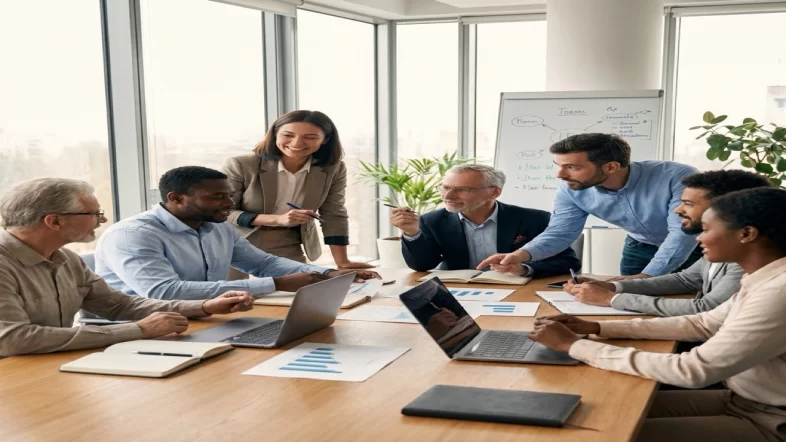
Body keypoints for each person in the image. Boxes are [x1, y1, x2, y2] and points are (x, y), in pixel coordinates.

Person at [529, 187, 786, 442]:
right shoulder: (764, 277)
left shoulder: (779, 290)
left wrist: (574, 345)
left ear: (747, 234)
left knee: (600, 432)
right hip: (741, 399)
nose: (698, 238)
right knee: (599, 411)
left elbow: (693, 370)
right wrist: (596, 326)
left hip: (771, 419)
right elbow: (705, 322)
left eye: (707, 230)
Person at [0, 178, 255, 357]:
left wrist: (203, 306)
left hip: (49, 364)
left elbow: (120, 304)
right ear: (54, 221)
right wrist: (138, 330)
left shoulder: (65, 258)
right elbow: (14, 339)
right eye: (94, 213)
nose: (103, 220)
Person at [95, 166, 378, 300]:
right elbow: (163, 291)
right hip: (137, 328)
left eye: (229, 196)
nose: (229, 204)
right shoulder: (133, 235)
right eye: (217, 197)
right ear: (176, 198)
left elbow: (263, 264)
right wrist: (276, 284)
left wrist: (326, 274)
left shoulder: (218, 228)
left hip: (200, 317)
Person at [478, 133, 701, 279]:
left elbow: (682, 234)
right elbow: (560, 233)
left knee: (698, 305)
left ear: (611, 167)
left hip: (697, 247)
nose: (560, 175)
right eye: (558, 166)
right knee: (632, 305)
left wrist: (647, 278)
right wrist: (521, 255)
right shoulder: (571, 188)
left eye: (572, 167)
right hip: (639, 247)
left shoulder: (676, 176)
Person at [564, 170, 770, 316]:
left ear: (725, 208)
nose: (677, 210)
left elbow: (707, 308)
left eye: (688, 204)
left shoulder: (752, 259)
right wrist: (612, 287)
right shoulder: (724, 246)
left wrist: (610, 299)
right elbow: (686, 280)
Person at [222, 110, 372, 274]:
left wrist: (342, 261)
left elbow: (333, 213)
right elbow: (222, 211)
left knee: (300, 292)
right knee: (231, 295)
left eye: (310, 137)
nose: (297, 142)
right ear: (274, 135)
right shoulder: (242, 164)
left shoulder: (333, 169)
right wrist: (277, 219)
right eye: (288, 134)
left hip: (287, 240)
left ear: (325, 140)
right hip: (236, 239)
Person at [390, 164, 580, 276]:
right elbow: (422, 266)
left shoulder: (535, 218)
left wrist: (523, 268)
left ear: (494, 192)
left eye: (463, 189)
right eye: (445, 187)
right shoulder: (432, 220)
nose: (449, 195)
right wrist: (412, 232)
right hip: (461, 294)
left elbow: (569, 262)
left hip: (518, 292)